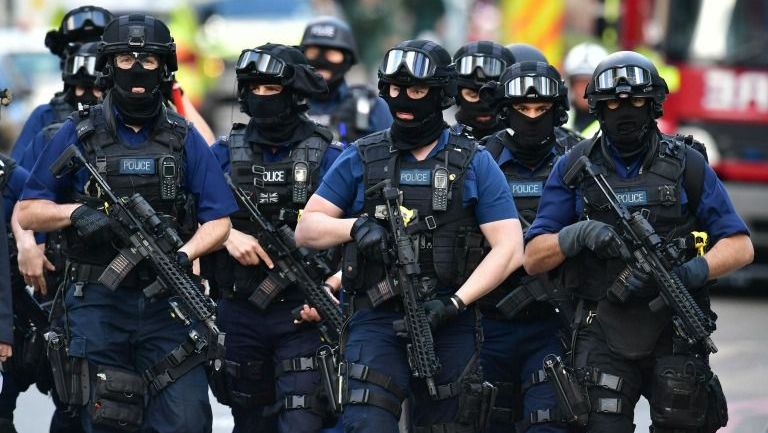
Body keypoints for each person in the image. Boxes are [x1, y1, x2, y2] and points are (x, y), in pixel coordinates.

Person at [17, 14, 237, 433]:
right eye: (125, 60)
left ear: (165, 68)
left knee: (187, 419)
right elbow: (29, 209)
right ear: (108, 65)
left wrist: (183, 253)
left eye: (149, 62)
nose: (136, 72)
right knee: (108, 418)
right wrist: (75, 213)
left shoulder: (183, 136)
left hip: (167, 304)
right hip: (98, 303)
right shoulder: (77, 133)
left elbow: (219, 220)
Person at [294, 39, 524, 433]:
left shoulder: (473, 161)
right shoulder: (362, 155)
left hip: (449, 323)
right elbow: (307, 228)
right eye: (397, 90)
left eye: (417, 91)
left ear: (440, 95)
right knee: (365, 421)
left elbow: (510, 247)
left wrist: (455, 303)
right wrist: (354, 227)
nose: (405, 101)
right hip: (375, 319)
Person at [523, 51, 754, 433]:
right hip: (603, 329)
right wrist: (576, 235)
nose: (624, 111)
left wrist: (693, 271)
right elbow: (533, 257)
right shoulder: (574, 167)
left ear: (654, 105)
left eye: (636, 101)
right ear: (597, 107)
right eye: (613, 102)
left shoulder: (686, 164)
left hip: (675, 329)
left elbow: (740, 245)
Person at [204, 42, 341, 433]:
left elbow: (360, 232)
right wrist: (226, 235)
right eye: (255, 89)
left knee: (302, 420)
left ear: (295, 93)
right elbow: (188, 218)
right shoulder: (222, 155)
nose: (262, 98)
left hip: (305, 312)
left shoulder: (331, 157)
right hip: (240, 309)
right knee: (250, 422)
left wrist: (333, 288)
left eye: (272, 89)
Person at [476, 60, 577, 433]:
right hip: (486, 319)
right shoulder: (476, 160)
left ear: (557, 110)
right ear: (505, 110)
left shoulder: (581, 161)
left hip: (556, 318)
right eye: (522, 109)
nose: (532, 118)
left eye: (541, 110)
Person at [11, 5, 113, 161]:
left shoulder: (124, 117)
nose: (88, 95)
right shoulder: (45, 116)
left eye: (97, 89)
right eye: (81, 88)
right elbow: (20, 173)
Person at [300, 16, 392, 147]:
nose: (321, 61)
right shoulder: (285, 104)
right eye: (313, 53)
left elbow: (391, 157)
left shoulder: (370, 107)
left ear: (348, 59)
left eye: (332, 54)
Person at [451, 41, 515, 140]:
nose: (484, 105)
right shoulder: (441, 143)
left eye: (492, 95)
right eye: (473, 95)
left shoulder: (525, 146)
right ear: (457, 95)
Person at [562, 42, 607, 137]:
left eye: (588, 83)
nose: (583, 90)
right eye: (579, 82)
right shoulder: (559, 120)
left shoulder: (611, 126)